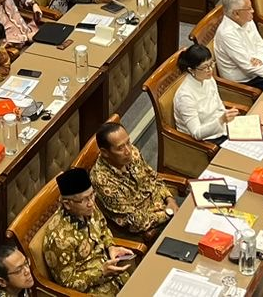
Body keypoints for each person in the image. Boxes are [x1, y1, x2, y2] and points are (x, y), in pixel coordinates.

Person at [43, 167, 133, 296]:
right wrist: (101, 272)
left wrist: (111, 246)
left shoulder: (87, 208)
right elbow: (67, 283)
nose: (91, 203)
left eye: (92, 195)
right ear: (67, 204)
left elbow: (103, 227)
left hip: (115, 276)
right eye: (84, 199)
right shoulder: (59, 239)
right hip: (91, 291)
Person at [90, 121, 179, 240]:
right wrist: (168, 213)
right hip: (146, 229)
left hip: (164, 207)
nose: (128, 151)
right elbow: (134, 221)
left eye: (128, 142)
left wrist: (170, 200)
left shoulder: (133, 153)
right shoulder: (102, 180)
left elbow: (153, 177)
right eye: (120, 148)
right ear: (105, 152)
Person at [174, 44, 238, 145]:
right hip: (206, 140)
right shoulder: (185, 96)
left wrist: (227, 115)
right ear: (191, 70)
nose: (210, 70)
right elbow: (196, 133)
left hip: (223, 129)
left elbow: (219, 106)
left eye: (211, 64)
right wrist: (221, 120)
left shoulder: (208, 79)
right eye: (204, 67)